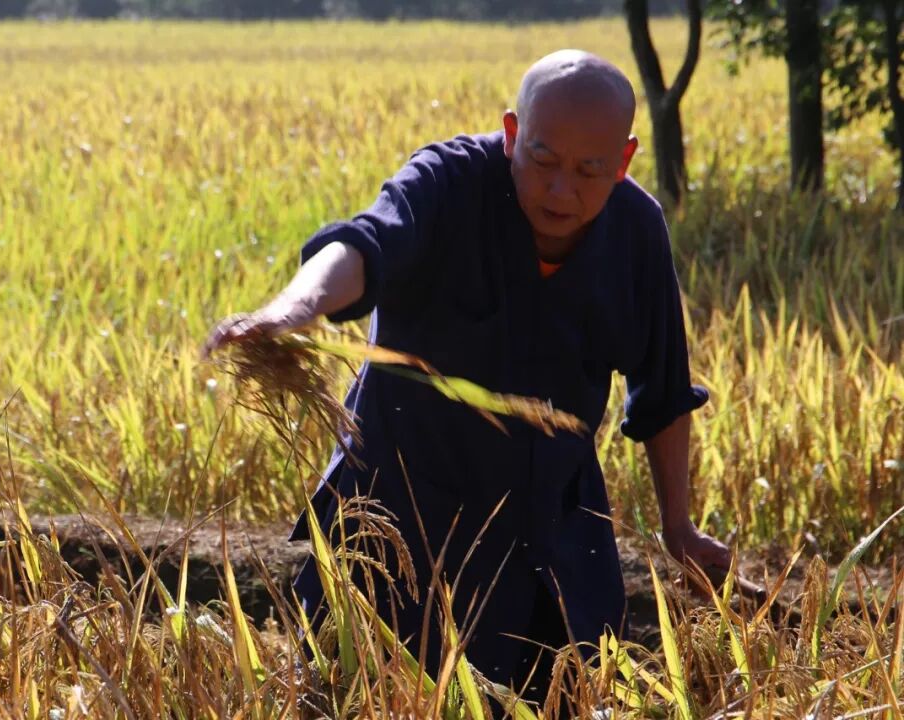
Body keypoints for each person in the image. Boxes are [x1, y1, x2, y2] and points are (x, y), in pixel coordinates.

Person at [202, 49, 732, 707]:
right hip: (398, 531)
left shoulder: (635, 230)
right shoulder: (446, 182)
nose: (561, 190)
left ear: (622, 164)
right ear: (512, 134)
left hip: (548, 542)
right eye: (541, 160)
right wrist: (295, 308)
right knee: (368, 698)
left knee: (564, 697)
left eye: (589, 171)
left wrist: (678, 527)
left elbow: (663, 391)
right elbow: (364, 246)